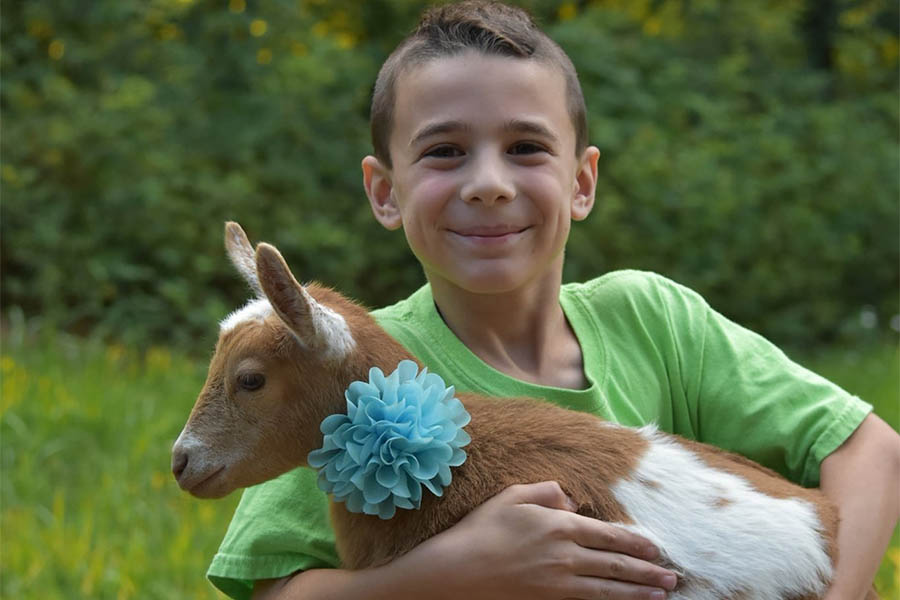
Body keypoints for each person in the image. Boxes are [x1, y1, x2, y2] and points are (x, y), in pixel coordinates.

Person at [206, 2, 900, 599]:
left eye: (526, 147)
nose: (489, 183)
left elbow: (871, 451)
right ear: (385, 191)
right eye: (445, 151)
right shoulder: (341, 373)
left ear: (582, 180)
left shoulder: (651, 318)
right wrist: (456, 570)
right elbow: (276, 588)